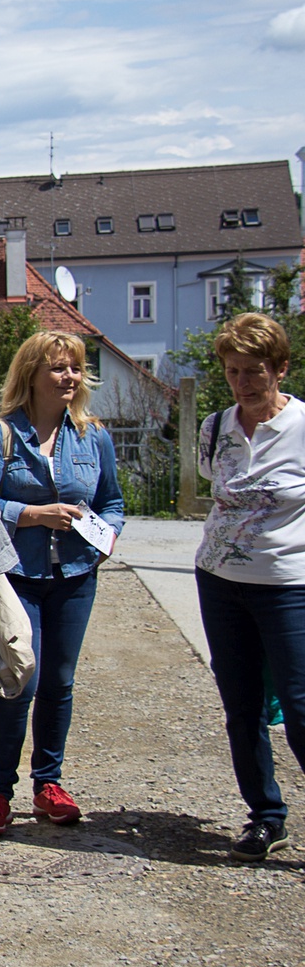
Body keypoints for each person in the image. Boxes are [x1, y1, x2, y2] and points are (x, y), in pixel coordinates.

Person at [0, 331, 125, 837]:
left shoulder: (93, 435)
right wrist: (34, 514)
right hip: (20, 575)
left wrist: (107, 536)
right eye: (58, 368)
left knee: (59, 682)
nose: (69, 377)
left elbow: (112, 502)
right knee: (20, 680)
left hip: (76, 575)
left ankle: (48, 785)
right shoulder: (2, 433)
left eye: (75, 368)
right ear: (32, 374)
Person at [195, 311, 305, 863]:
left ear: (279, 368)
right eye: (233, 371)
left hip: (287, 584)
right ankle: (265, 816)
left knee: (300, 706)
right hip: (220, 582)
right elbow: (214, 488)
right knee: (242, 707)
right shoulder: (215, 427)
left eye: (254, 371)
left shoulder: (302, 426)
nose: (242, 382)